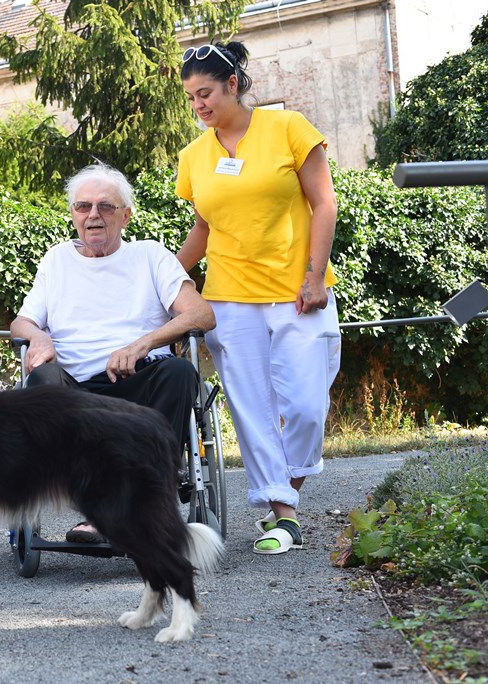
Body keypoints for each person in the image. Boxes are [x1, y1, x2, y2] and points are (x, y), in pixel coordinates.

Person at [175, 41, 341, 555]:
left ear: (233, 84)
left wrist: (314, 276)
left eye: (205, 93)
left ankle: (284, 492)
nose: (199, 105)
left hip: (298, 293)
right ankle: (283, 515)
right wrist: (161, 278)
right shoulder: (194, 156)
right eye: (190, 98)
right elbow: (203, 229)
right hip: (229, 297)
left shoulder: (289, 129)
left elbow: (323, 203)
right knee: (252, 409)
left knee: (307, 405)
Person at [10, 163, 215, 544]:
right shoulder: (56, 261)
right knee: (41, 380)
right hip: (74, 390)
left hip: (137, 382)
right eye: (83, 206)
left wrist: (144, 344)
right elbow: (22, 322)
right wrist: (38, 338)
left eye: (105, 207)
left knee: (179, 373)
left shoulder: (151, 256)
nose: (93, 215)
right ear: (72, 214)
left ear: (126, 215)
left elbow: (201, 314)